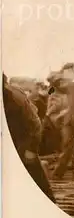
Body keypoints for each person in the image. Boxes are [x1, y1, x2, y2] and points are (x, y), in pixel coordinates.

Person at [2, 73, 56, 202]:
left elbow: (35, 123)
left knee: (35, 180)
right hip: (13, 141)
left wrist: (31, 148)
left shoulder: (12, 96)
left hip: (23, 142)